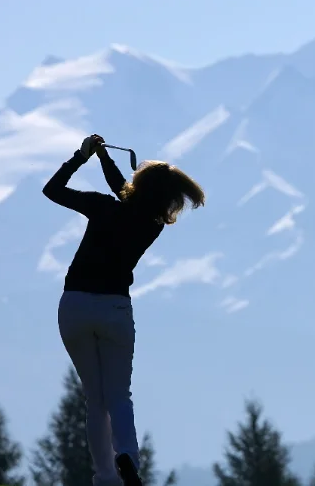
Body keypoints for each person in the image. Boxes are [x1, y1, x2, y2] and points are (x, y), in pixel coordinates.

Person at [42, 134, 205, 486]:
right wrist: (102, 159)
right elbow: (127, 193)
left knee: (94, 400)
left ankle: (105, 477)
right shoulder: (153, 225)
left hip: (75, 306)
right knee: (118, 395)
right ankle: (127, 456)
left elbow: (51, 190)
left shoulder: (102, 206)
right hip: (115, 309)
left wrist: (82, 156)